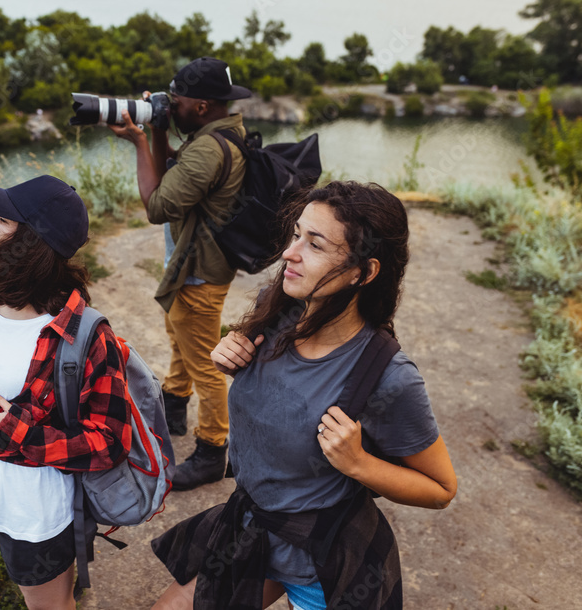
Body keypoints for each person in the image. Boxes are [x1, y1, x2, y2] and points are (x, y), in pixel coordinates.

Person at [150, 181, 458, 610]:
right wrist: (232, 357)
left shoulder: (389, 376)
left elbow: (441, 489)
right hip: (251, 529)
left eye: (314, 244)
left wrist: (359, 463)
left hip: (323, 564)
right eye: (296, 235)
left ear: (363, 272)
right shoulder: (275, 313)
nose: (289, 254)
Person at [0, 175, 132, 610]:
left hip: (36, 510)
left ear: (33, 241)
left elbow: (110, 443)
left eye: (1, 219)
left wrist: (19, 432)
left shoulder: (87, 335)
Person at [110, 56, 253, 491]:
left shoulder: (210, 147)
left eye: (178, 102)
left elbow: (157, 205)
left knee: (206, 362)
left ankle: (213, 450)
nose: (172, 107)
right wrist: (155, 131)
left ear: (204, 106)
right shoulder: (219, 134)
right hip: (197, 267)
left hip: (198, 272)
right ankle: (174, 406)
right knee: (181, 336)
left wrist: (137, 143)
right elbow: (174, 173)